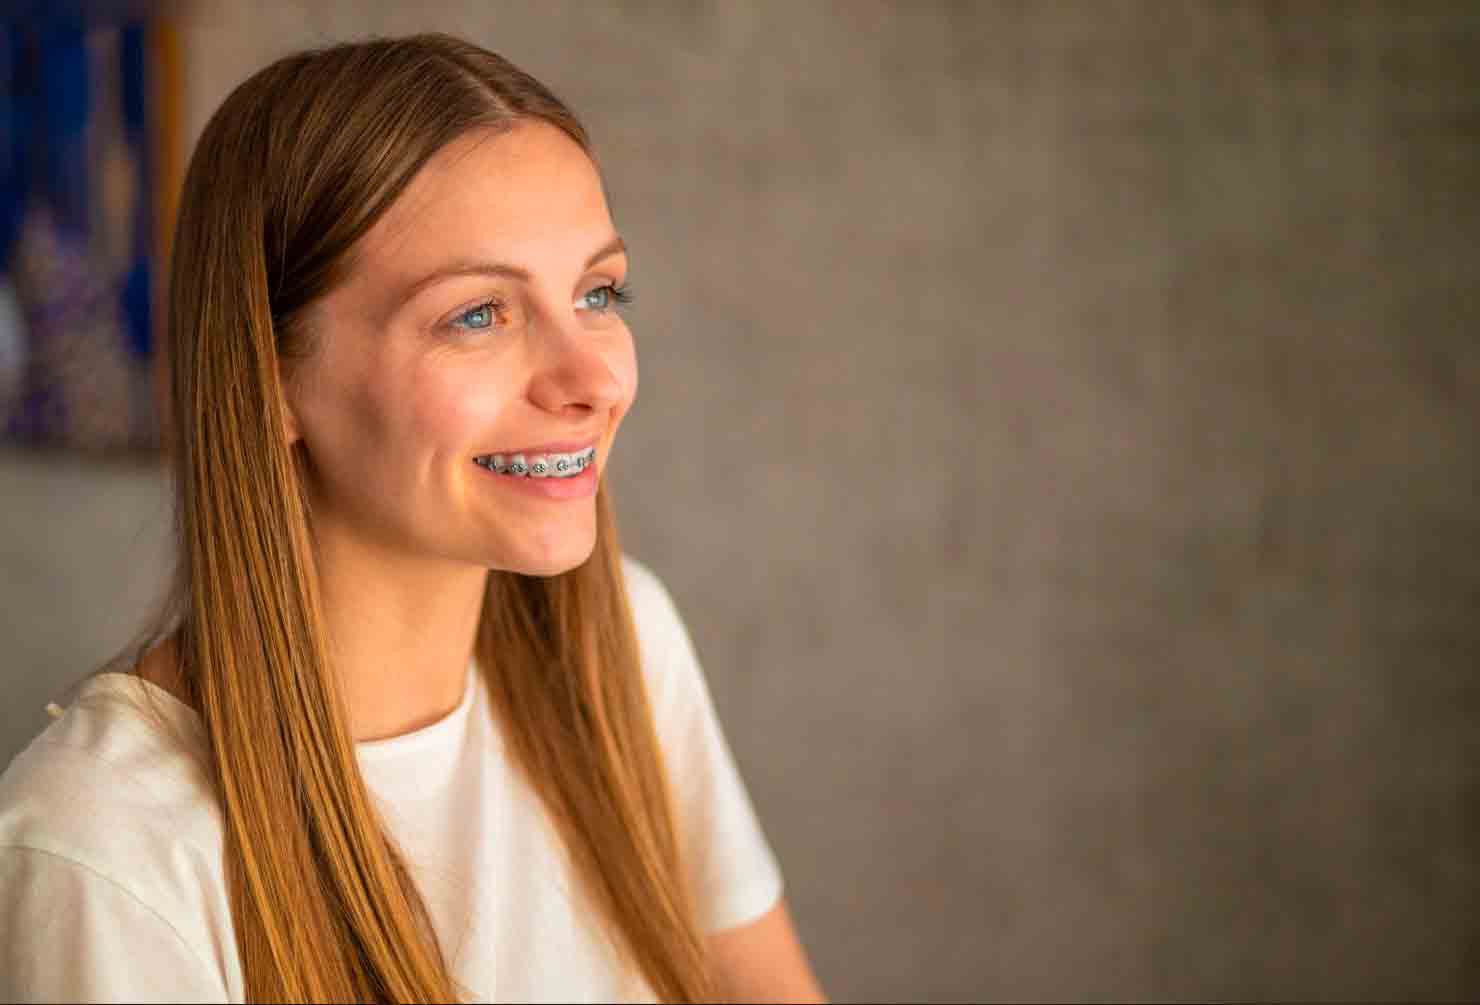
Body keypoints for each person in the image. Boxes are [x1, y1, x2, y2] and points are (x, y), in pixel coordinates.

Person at [0, 33, 826, 1003]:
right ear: (270, 378)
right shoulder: (99, 853)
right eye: (478, 314)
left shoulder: (626, 653)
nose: (595, 379)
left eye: (597, 292)